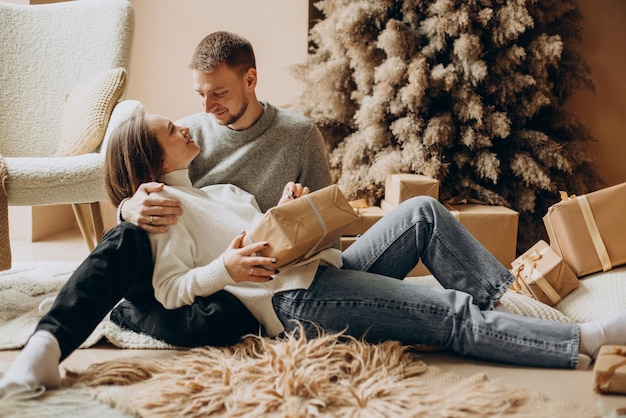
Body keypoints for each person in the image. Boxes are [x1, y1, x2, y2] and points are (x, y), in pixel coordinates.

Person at [3, 107, 624, 399]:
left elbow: (274, 232)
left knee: (423, 214)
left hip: (324, 265)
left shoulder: (215, 188)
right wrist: (226, 271)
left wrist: (300, 210)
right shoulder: (163, 208)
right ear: (150, 158)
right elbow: (169, 290)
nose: (184, 126)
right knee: (444, 312)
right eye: (168, 130)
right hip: (298, 300)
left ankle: (512, 299)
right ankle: (583, 341)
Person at [112, 30, 334, 344]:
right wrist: (126, 208)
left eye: (218, 93)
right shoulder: (189, 135)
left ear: (250, 80)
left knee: (419, 215)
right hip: (222, 286)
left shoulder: (299, 136)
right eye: (200, 93)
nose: (207, 107)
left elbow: (327, 232)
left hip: (290, 275)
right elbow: (147, 180)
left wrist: (292, 215)